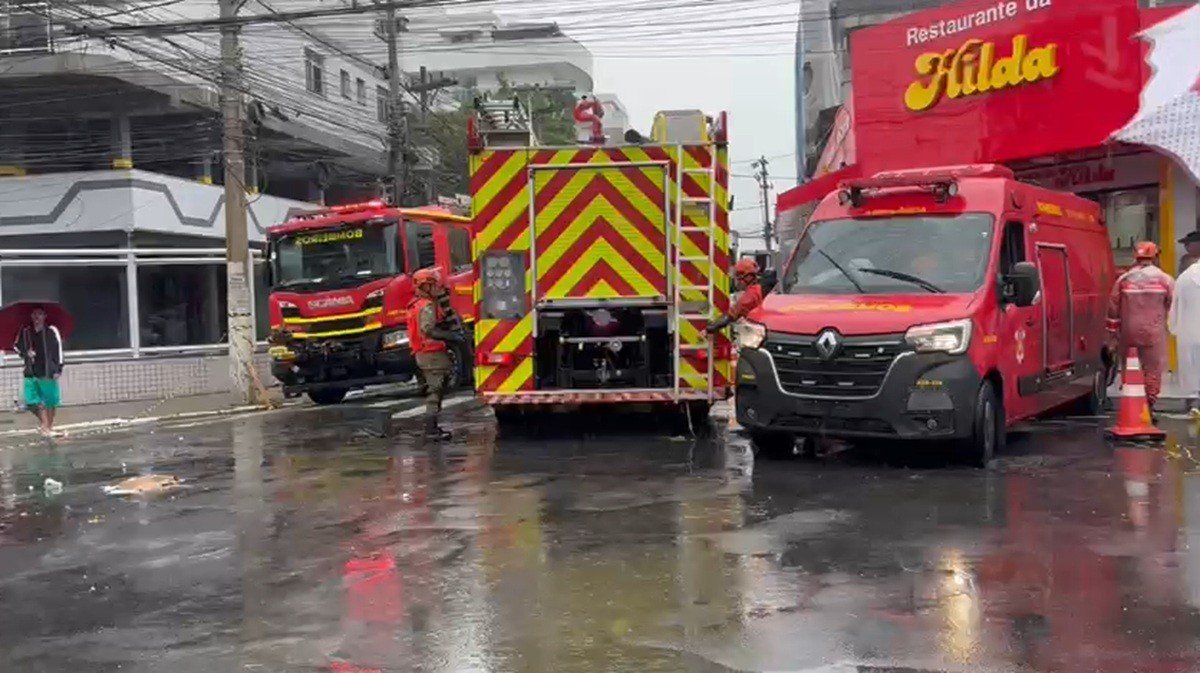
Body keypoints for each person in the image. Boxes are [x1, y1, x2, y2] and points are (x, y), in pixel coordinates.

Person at [1108, 241, 1174, 416]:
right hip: (1154, 333)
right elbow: (1171, 304)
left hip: (1128, 332)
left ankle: (1132, 402)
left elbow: (1113, 309)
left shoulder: (1124, 279)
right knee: (1152, 368)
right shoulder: (1165, 279)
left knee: (1129, 367)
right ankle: (1149, 406)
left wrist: (1113, 335)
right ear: (1156, 256)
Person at [406, 268, 463, 441]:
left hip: (424, 353)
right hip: (431, 353)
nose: (436, 289)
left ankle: (432, 428)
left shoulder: (415, 304)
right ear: (426, 286)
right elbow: (428, 329)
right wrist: (450, 336)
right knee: (436, 390)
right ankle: (431, 429)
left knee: (436, 388)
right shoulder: (427, 305)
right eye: (433, 285)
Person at [13, 306, 65, 437]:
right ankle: (45, 424)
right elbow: (16, 347)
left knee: (50, 401)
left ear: (44, 316)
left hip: (47, 370)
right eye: (34, 314)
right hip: (31, 371)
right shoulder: (26, 332)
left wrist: (59, 368)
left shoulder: (51, 331)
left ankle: (48, 427)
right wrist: (26, 353)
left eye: (40, 314)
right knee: (31, 401)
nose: (37, 317)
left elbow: (58, 350)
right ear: (31, 316)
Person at [1169, 255, 1200, 414]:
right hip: (1190, 331)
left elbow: (1175, 305)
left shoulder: (1185, 278)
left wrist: (1173, 327)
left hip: (1189, 332)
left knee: (1191, 369)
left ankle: (1193, 403)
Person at [706, 258, 764, 333]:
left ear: (749, 277)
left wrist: (711, 328)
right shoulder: (757, 289)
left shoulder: (752, 293)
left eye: (739, 275)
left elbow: (734, 313)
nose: (737, 280)